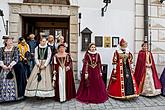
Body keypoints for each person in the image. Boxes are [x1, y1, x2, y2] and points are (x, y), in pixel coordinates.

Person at [0, 35, 23, 102]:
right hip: (4, 68)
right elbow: (0, 58)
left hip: (12, 68)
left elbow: (16, 58)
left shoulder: (15, 49)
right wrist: (3, 65)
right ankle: (3, 97)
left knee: (12, 81)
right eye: (9, 41)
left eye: (11, 41)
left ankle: (12, 97)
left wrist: (10, 65)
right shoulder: (1, 49)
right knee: (3, 81)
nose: (11, 42)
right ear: (6, 42)